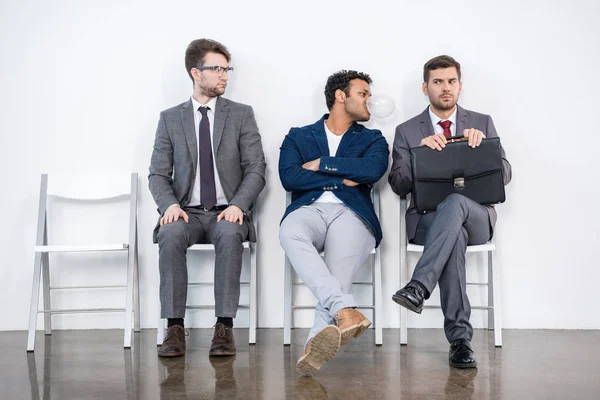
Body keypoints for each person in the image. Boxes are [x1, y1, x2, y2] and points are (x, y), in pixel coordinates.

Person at [388, 55, 512, 368]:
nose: (446, 88)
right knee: (452, 235)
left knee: (456, 203)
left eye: (452, 81)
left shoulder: (481, 122)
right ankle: (460, 341)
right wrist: (420, 157)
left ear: (460, 85)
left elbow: (506, 174)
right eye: (438, 82)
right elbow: (398, 185)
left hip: (478, 217)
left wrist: (485, 150)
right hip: (427, 221)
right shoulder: (406, 131)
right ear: (425, 87)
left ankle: (419, 286)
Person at [149, 38, 266, 357]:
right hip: (185, 211)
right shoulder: (170, 118)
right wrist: (169, 205)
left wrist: (238, 206)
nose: (224, 75)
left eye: (226, 68)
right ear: (195, 73)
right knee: (170, 235)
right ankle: (174, 328)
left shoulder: (241, 115)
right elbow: (158, 173)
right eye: (216, 68)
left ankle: (224, 327)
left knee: (230, 236)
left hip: (225, 212)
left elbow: (256, 168)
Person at [278, 70, 389, 376]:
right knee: (289, 231)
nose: (370, 100)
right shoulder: (298, 135)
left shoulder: (372, 138)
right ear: (341, 96)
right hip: (309, 209)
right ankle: (345, 311)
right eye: (363, 93)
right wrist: (344, 178)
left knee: (338, 271)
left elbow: (373, 170)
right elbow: (290, 177)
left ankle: (314, 343)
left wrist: (323, 165)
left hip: (352, 214)